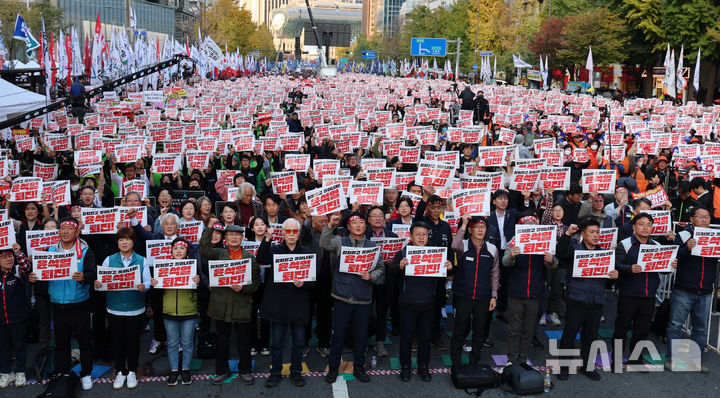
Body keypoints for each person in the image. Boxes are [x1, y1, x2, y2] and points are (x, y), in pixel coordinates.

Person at [29, 218, 97, 391]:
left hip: (79, 304)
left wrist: (84, 278)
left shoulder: (86, 251)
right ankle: (62, 373)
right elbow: (41, 279)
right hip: (58, 305)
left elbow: (92, 274)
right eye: (62, 228)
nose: (65, 231)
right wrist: (34, 279)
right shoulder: (49, 251)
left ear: (77, 232)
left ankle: (86, 373)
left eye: (69, 229)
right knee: (61, 342)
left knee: (84, 342)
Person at [321, 212, 384, 384]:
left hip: (363, 299)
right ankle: (333, 367)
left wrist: (371, 276)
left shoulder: (372, 246)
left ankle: (359, 367)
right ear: (348, 226)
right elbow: (324, 243)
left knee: (361, 337)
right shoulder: (340, 242)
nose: (358, 225)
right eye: (354, 223)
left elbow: (381, 270)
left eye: (361, 223)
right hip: (342, 297)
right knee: (338, 336)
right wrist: (330, 225)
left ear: (366, 226)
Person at [556, 218, 619, 381]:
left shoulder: (605, 253)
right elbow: (560, 251)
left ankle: (587, 366)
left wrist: (613, 276)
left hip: (596, 302)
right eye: (592, 232)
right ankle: (563, 367)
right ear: (582, 234)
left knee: (590, 337)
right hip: (576, 300)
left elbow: (609, 281)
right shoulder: (574, 250)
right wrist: (567, 234)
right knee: (569, 335)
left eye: (598, 232)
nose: (596, 235)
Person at [199, 223, 260, 385]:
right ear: (225, 238)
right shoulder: (218, 253)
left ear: (242, 238)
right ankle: (221, 371)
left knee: (244, 341)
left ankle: (245, 370)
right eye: (230, 234)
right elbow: (204, 249)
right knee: (222, 341)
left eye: (237, 234)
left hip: (242, 305)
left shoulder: (249, 257)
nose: (233, 237)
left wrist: (243, 288)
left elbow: (256, 283)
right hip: (221, 305)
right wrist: (209, 229)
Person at [256, 218, 315, 388]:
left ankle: (296, 372)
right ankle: (275, 373)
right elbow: (261, 257)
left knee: (298, 343)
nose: (290, 235)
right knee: (277, 343)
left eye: (294, 231)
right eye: (287, 231)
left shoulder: (306, 252)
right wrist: (267, 238)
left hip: (298, 304)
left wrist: (304, 283)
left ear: (298, 234)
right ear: (282, 233)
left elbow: (313, 280)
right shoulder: (274, 250)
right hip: (278, 304)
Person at [613, 213, 676, 370]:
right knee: (621, 329)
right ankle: (616, 360)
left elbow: (665, 272)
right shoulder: (624, 244)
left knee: (642, 331)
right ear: (634, 227)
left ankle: (636, 360)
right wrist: (630, 268)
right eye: (641, 224)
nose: (645, 227)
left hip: (649, 296)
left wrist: (671, 265)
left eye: (649, 225)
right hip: (628, 295)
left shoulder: (656, 245)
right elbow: (615, 265)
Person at [391, 222, 453, 382]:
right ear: (411, 236)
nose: (421, 237)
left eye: (424, 234)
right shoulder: (403, 252)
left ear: (428, 236)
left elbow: (445, 276)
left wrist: (450, 267)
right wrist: (399, 266)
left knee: (425, 338)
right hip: (408, 304)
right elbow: (391, 271)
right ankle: (405, 367)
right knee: (406, 337)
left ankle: (423, 366)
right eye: (417, 234)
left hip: (428, 303)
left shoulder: (437, 253)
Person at [96, 228, 151, 390]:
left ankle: (132, 371)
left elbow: (148, 282)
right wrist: (97, 284)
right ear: (117, 242)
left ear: (133, 242)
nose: (124, 243)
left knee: (133, 342)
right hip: (115, 309)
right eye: (121, 240)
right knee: (118, 342)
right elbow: (101, 282)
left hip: (136, 308)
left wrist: (144, 286)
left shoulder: (142, 260)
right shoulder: (109, 260)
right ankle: (120, 371)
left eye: (128, 239)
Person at [502, 212, 557, 366]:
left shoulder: (545, 241)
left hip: (535, 293)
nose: (530, 228)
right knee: (514, 329)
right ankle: (512, 360)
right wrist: (511, 256)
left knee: (528, 330)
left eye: (533, 225)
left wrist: (551, 260)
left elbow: (554, 264)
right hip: (516, 292)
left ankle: (523, 358)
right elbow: (505, 262)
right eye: (526, 226)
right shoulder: (513, 242)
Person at [667, 206, 718, 373]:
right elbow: (673, 257)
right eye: (700, 217)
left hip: (705, 290)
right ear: (691, 219)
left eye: (707, 217)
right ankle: (672, 359)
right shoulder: (682, 235)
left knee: (701, 329)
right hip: (684, 289)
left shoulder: (715, 237)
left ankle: (696, 361)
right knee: (675, 325)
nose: (704, 220)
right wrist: (687, 249)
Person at [450, 215, 499, 368]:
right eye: (476, 227)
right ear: (470, 230)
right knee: (459, 330)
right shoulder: (463, 245)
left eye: (482, 227)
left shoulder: (492, 249)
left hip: (483, 297)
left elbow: (495, 274)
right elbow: (453, 245)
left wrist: (493, 296)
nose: (479, 230)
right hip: (463, 295)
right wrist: (463, 224)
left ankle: (474, 361)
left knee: (479, 332)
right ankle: (456, 362)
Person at [151, 238, 200, 386]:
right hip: (169, 311)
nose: (178, 251)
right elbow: (157, 294)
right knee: (171, 343)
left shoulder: (194, 267)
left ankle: (185, 369)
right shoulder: (163, 267)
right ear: (171, 251)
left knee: (187, 343)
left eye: (182, 248)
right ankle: (173, 370)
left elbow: (202, 290)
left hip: (188, 311)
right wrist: (154, 284)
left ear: (187, 252)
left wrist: (198, 282)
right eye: (175, 248)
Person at [0, 244, 31, 388]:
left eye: (10, 256)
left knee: (19, 345)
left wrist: (18, 252)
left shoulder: (18, 271)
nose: (9, 259)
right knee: (3, 346)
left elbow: (26, 266)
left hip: (18, 317)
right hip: (1, 319)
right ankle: (6, 372)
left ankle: (20, 372)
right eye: (4, 257)